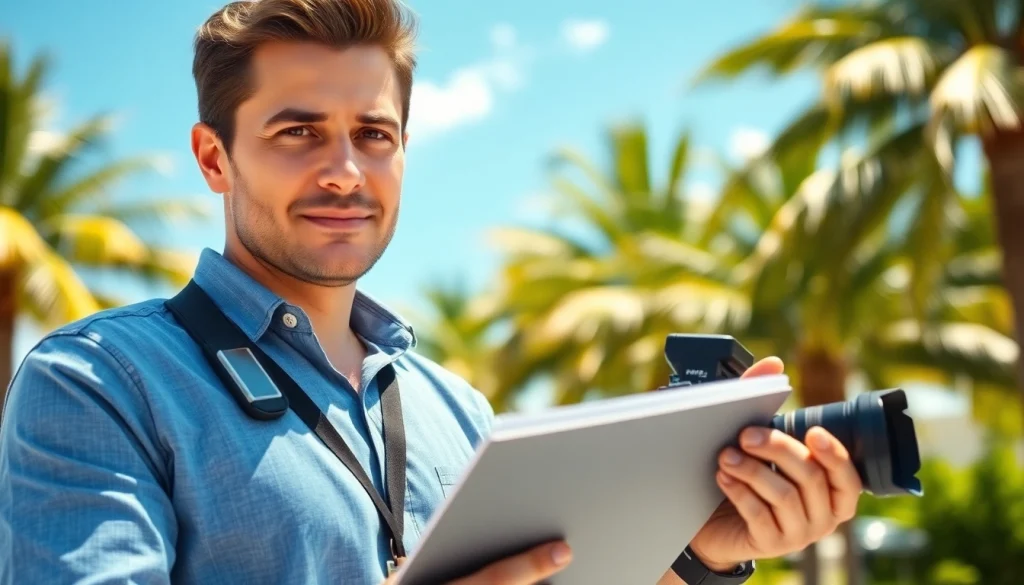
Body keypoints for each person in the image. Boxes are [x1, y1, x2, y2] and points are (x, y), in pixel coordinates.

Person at [0, 0, 864, 583]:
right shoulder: (95, 384)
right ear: (213, 156)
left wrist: (695, 554)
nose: (344, 171)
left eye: (373, 134)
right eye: (299, 132)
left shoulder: (463, 413)